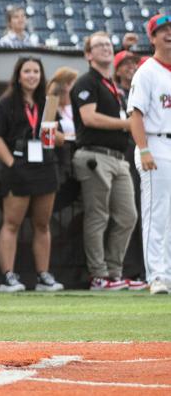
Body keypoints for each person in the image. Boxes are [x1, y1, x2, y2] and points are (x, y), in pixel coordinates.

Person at [70, 32, 140, 291]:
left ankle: (114, 271)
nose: (105, 49)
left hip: (119, 158)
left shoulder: (112, 85)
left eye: (108, 45)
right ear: (88, 54)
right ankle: (98, 275)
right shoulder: (86, 82)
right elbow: (89, 118)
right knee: (98, 216)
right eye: (98, 45)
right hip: (95, 155)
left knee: (127, 216)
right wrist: (126, 124)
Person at [0, 56, 65, 293]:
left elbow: (59, 139)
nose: (32, 75)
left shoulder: (49, 103)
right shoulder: (6, 102)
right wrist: (12, 164)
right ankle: (8, 277)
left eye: (36, 71)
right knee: (12, 223)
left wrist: (52, 132)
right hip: (18, 169)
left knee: (43, 224)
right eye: (27, 71)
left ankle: (43, 276)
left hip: (45, 167)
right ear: (18, 76)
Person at [127, 14, 171, 295]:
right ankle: (156, 274)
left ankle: (166, 271)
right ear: (152, 37)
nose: (169, 34)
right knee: (157, 212)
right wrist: (143, 149)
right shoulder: (147, 71)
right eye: (163, 30)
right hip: (154, 143)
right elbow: (135, 114)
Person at [47, 67, 78, 139]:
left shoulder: (77, 105)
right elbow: (47, 132)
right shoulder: (51, 106)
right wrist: (66, 136)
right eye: (75, 82)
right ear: (66, 85)